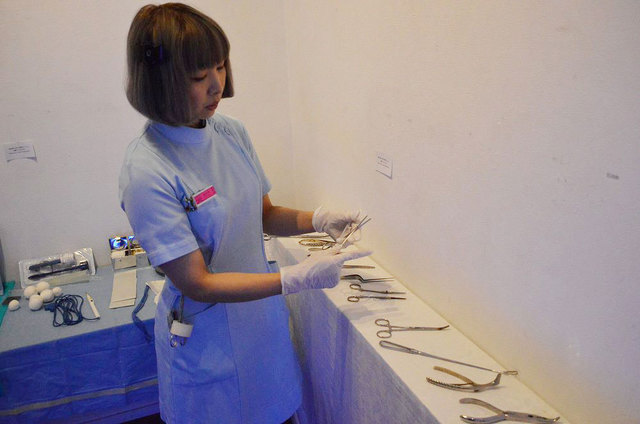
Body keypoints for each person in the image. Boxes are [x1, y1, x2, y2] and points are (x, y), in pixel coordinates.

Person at [119, 3, 370, 423]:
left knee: (279, 411)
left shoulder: (230, 132)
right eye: (199, 76)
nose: (217, 85)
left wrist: (318, 219)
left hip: (261, 324)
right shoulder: (147, 169)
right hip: (207, 342)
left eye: (220, 67)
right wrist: (294, 278)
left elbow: (264, 214)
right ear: (161, 83)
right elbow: (197, 282)